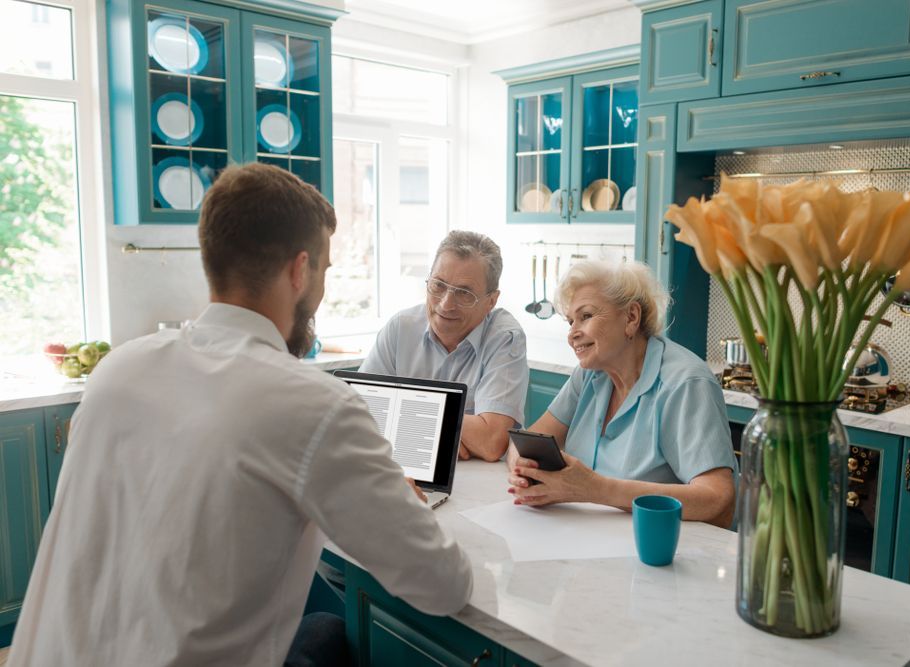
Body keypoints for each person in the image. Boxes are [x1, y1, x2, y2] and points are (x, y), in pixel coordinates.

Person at [8, 164, 472, 667]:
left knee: (323, 632)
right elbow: (444, 585)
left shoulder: (117, 370)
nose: (321, 290)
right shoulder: (315, 406)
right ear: (300, 271)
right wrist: (390, 500)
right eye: (325, 271)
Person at [507, 260, 737, 528]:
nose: (572, 334)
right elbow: (528, 440)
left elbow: (718, 499)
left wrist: (595, 489)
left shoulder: (686, 383)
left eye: (586, 316)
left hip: (662, 550)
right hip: (590, 539)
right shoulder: (591, 372)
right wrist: (521, 469)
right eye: (570, 321)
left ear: (631, 317)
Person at [360, 230, 528, 462]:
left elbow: (491, 442)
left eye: (464, 293)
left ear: (491, 301)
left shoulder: (505, 338)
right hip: (404, 465)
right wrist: (440, 436)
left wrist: (401, 416)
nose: (446, 304)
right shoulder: (401, 328)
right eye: (438, 285)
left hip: (480, 484)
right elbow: (360, 415)